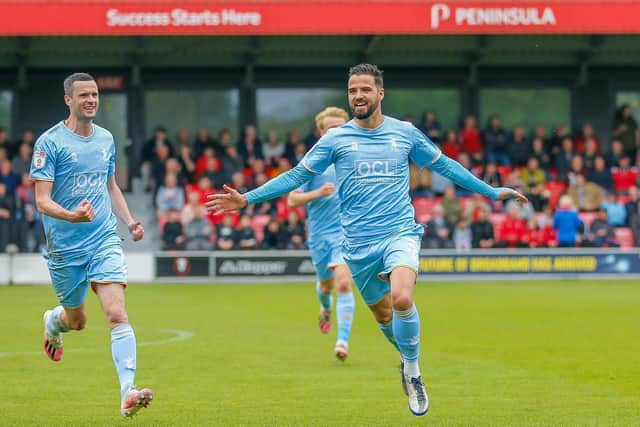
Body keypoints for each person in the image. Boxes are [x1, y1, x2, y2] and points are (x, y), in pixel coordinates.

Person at [206, 63, 525, 416]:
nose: (358, 95)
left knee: (402, 297)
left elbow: (445, 165)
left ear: (380, 93)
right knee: (384, 312)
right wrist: (248, 198)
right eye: (353, 90)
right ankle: (405, 359)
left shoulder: (405, 134)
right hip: (357, 245)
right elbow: (296, 175)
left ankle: (414, 372)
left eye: (365, 89)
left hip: (399, 233)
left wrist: (491, 192)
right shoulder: (335, 139)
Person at [30, 73, 153, 418]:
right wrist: (71, 216)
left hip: (103, 239)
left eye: (95, 94)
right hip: (65, 248)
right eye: (83, 95)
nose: (91, 100)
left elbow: (110, 186)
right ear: (68, 100)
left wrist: (129, 221)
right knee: (78, 321)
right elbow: (42, 200)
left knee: (116, 312)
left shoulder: (106, 139)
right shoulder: (49, 143)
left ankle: (128, 391)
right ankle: (55, 321)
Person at [287, 106, 356, 361]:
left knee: (345, 283)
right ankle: (325, 307)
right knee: (326, 286)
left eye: (341, 128)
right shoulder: (313, 162)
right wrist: (318, 193)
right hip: (319, 236)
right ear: (321, 131)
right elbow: (292, 200)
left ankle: (342, 341)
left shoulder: (355, 160)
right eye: (331, 128)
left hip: (347, 235)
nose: (336, 132)